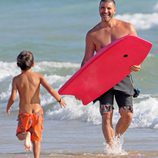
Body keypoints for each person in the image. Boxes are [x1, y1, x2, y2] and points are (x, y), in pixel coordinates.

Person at [81, 0, 141, 147]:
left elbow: (138, 50)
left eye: (108, 8)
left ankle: (116, 138)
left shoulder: (127, 28)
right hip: (102, 80)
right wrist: (81, 83)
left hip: (122, 76)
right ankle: (112, 150)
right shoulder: (92, 34)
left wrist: (138, 64)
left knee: (127, 114)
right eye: (102, 8)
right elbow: (87, 60)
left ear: (114, 10)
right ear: (99, 10)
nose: (105, 11)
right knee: (106, 115)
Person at [6, 51, 66, 158]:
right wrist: (59, 99)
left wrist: (8, 106)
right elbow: (51, 90)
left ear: (18, 64)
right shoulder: (38, 76)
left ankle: (27, 134)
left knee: (20, 135)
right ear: (33, 63)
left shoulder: (16, 79)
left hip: (25, 113)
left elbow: (13, 97)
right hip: (38, 113)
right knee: (37, 140)